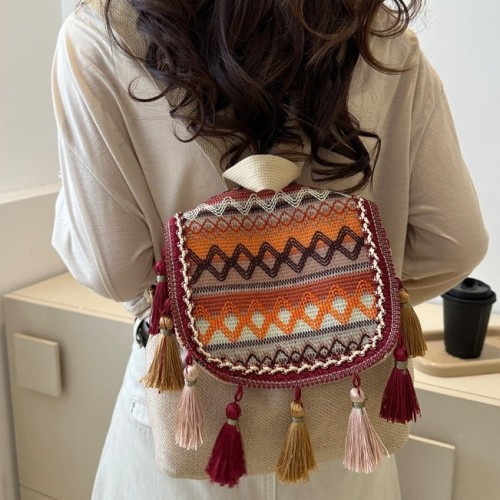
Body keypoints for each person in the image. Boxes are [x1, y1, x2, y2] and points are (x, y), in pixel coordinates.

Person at [51, 0, 488, 498]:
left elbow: (113, 271)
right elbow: (456, 243)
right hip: (348, 418)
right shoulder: (377, 33)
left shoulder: (99, 37)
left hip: (189, 406)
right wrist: (343, 302)